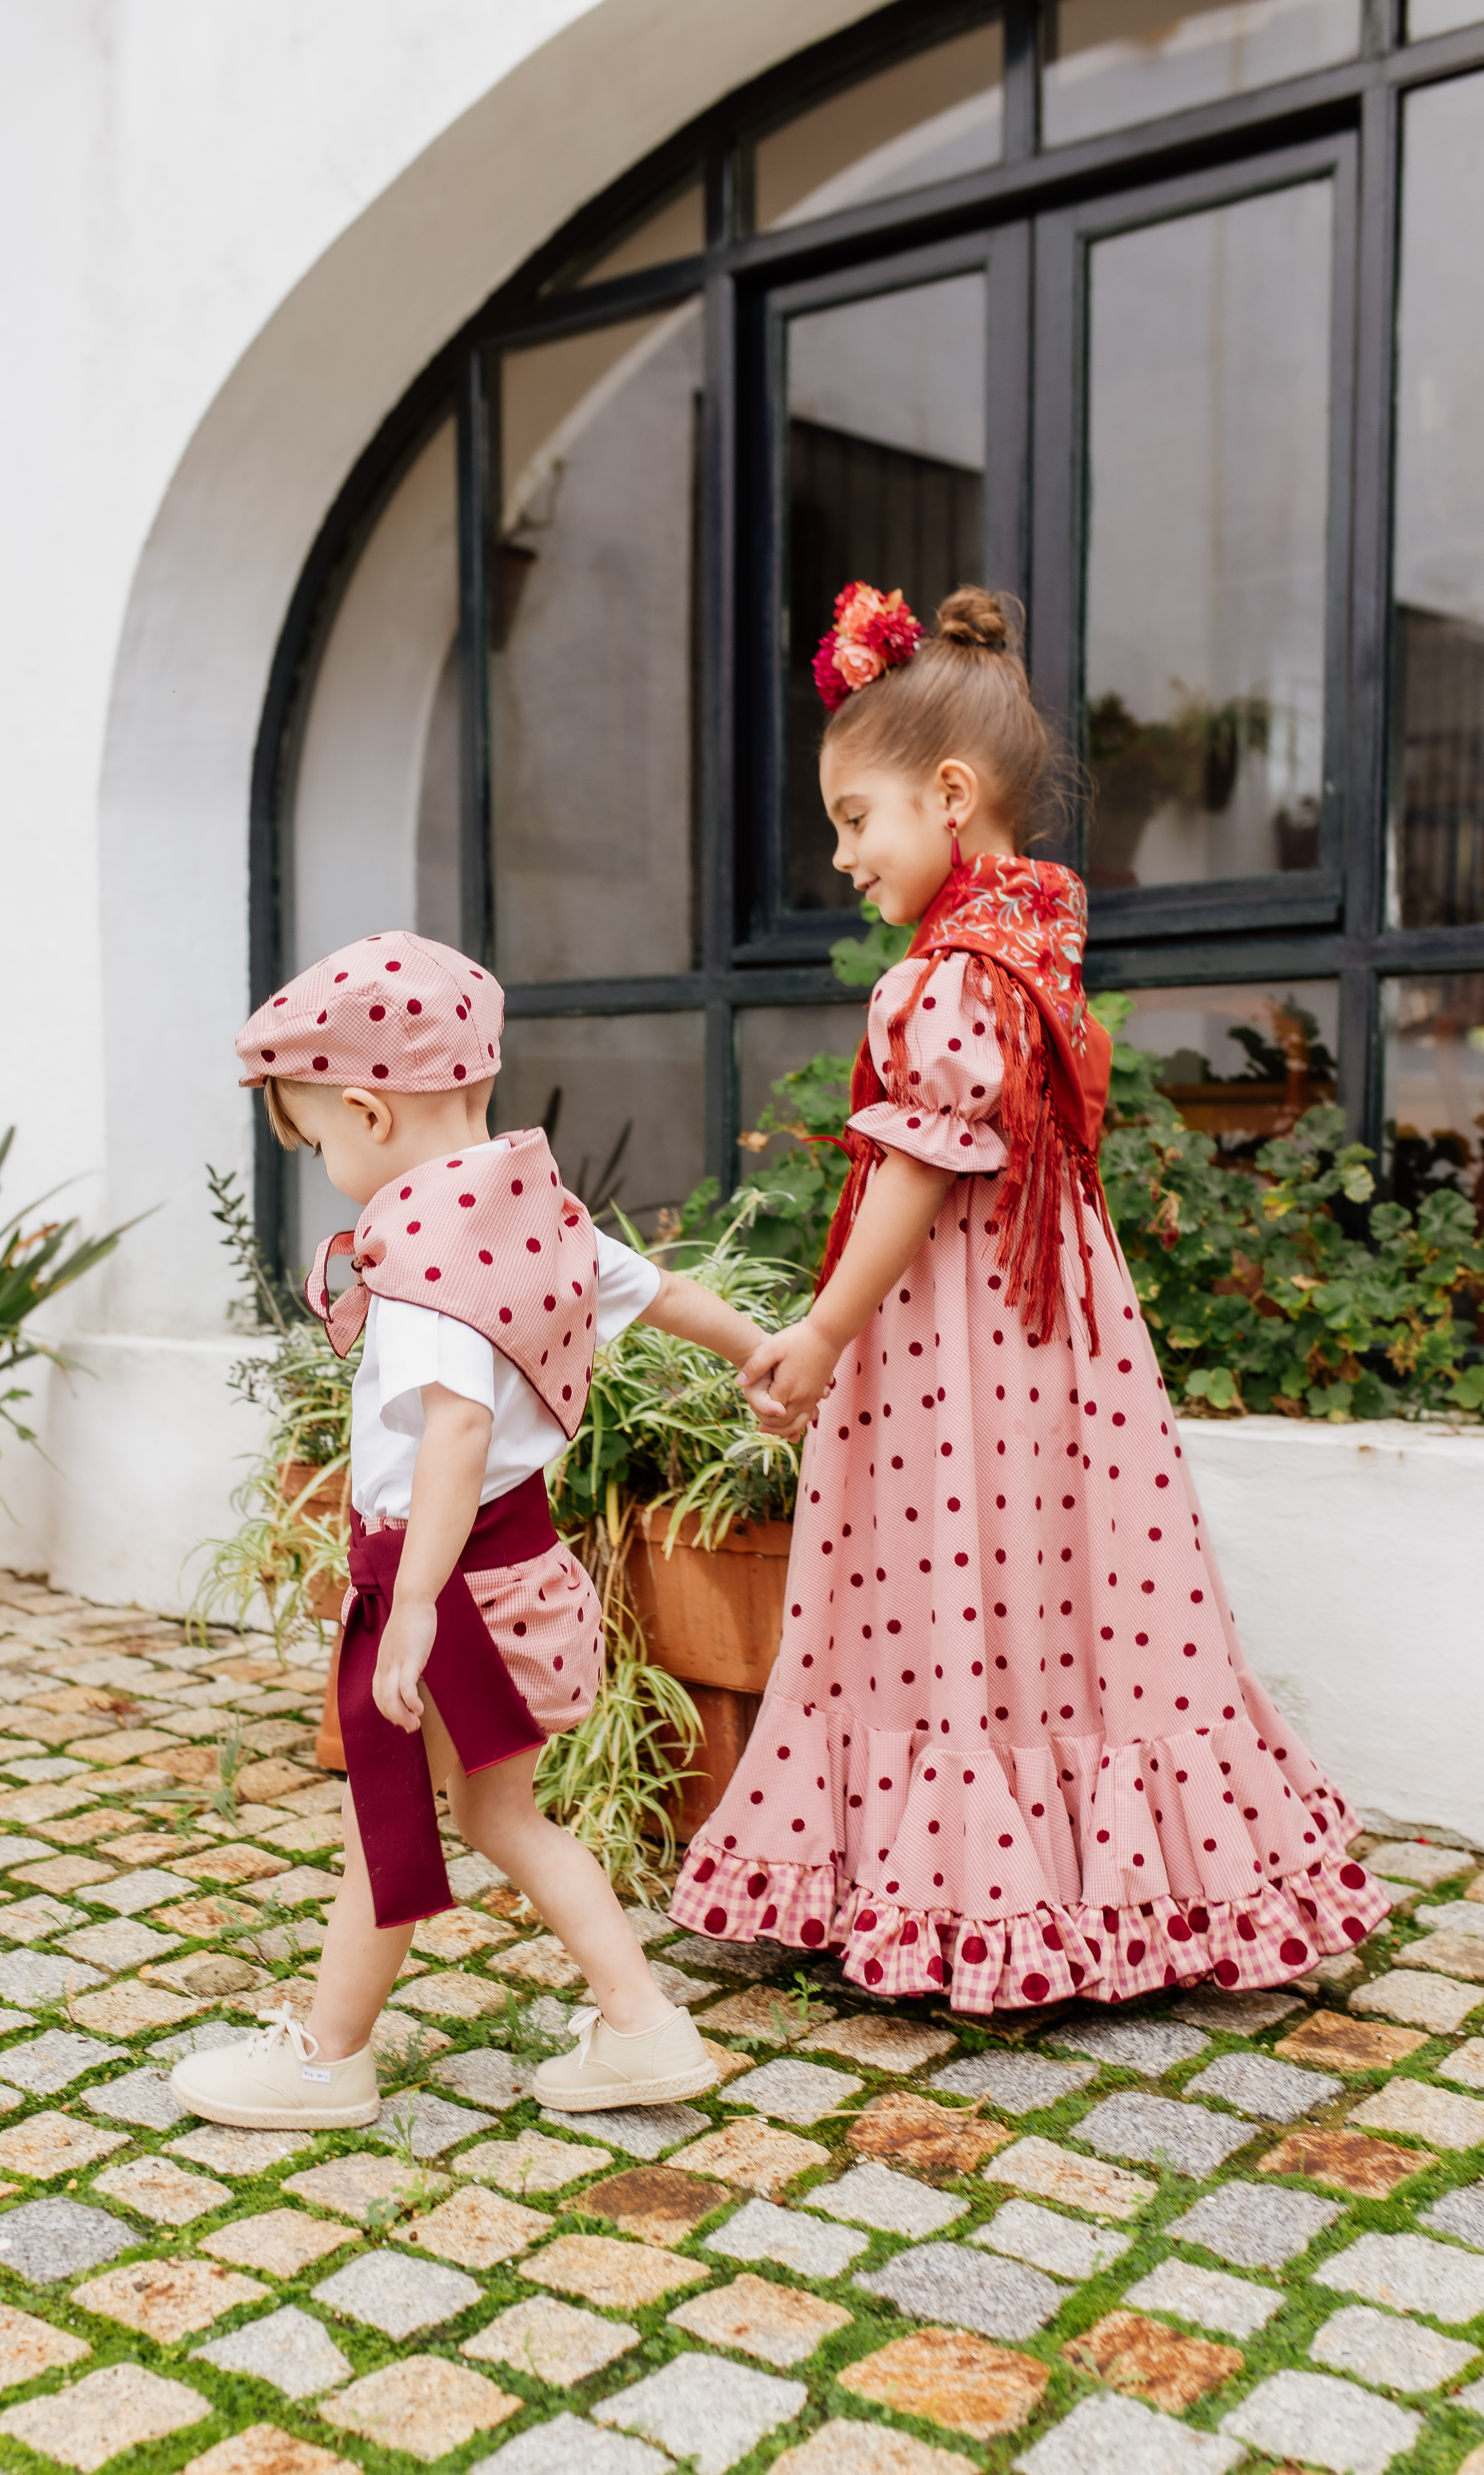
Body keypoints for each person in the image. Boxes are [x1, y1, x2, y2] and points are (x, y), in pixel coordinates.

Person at [671, 579, 1385, 2011]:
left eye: (855, 820)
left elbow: (913, 1183)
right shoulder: (1033, 956)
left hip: (957, 1348)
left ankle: (975, 1888)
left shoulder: (944, 982)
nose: (842, 857)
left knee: (949, 1585)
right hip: (1050, 1342)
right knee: (1061, 1593)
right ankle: (1076, 1887)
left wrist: (820, 1332)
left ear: (947, 794)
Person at [171, 928, 766, 2129]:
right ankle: (642, 2024)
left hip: (451, 1595)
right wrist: (759, 1352)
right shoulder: (527, 1214)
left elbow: (449, 1438)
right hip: (527, 1574)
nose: (327, 1159)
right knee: (504, 1816)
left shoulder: (430, 1258)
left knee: (381, 1817)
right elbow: (658, 1293)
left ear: (368, 1111)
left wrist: (414, 1616)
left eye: (320, 1138)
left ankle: (327, 2061)